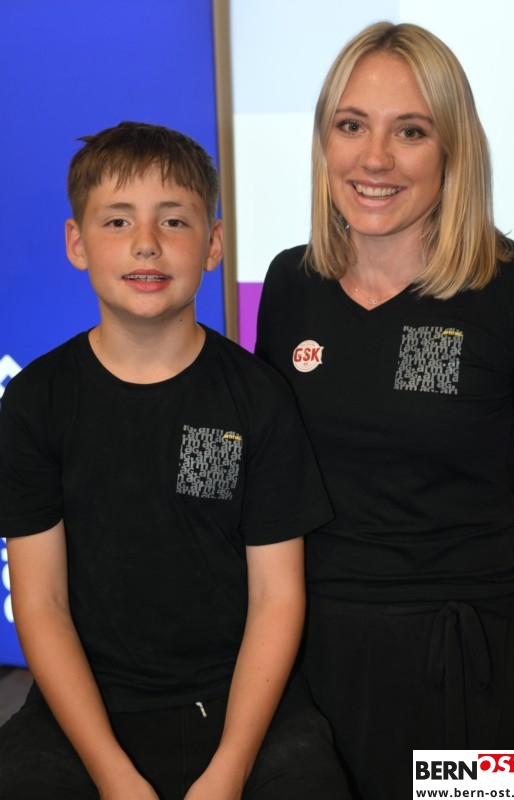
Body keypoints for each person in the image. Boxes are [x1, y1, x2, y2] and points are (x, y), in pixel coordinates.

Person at [0, 122, 353, 800]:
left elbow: (276, 598)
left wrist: (230, 769)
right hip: (87, 708)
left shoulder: (258, 398)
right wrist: (112, 775)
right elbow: (40, 602)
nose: (146, 243)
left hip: (240, 702)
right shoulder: (38, 401)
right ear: (76, 242)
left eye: (173, 220)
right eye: (117, 220)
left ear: (213, 244)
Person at [255, 21, 514, 800]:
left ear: (452, 149)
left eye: (409, 131)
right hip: (308, 660)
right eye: (351, 126)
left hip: (471, 668)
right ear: (324, 141)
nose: (373, 159)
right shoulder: (289, 284)